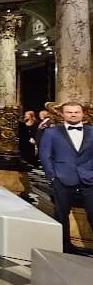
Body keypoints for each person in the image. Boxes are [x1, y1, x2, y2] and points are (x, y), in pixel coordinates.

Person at [38, 101, 93, 253]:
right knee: (62, 214)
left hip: (89, 178)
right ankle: (65, 247)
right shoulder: (51, 132)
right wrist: (52, 176)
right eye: (69, 112)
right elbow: (45, 155)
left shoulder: (92, 131)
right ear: (62, 114)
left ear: (82, 113)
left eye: (76, 112)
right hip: (62, 178)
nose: (73, 114)